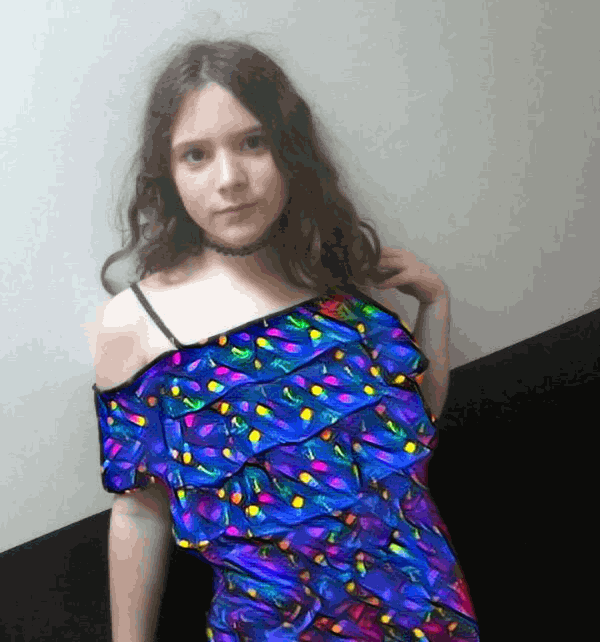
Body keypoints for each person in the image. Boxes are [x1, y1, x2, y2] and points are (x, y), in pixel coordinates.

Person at [86, 38, 479, 641]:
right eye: (196, 155)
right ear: (167, 173)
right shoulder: (133, 324)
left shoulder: (332, 278)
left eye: (253, 142)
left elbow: (406, 437)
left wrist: (436, 305)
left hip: (426, 611)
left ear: (288, 149)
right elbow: (140, 510)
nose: (230, 179)